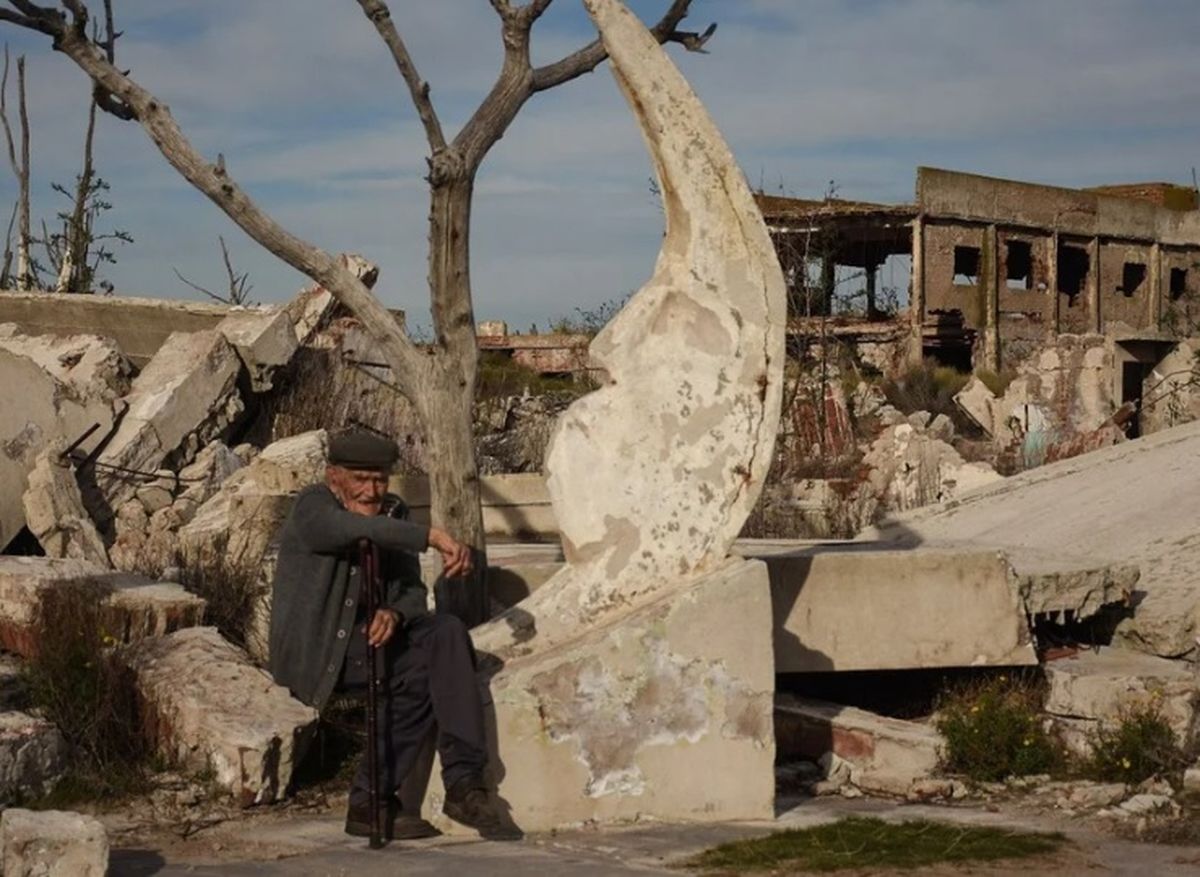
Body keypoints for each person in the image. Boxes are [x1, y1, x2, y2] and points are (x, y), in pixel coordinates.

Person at [268, 429, 504, 840]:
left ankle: (464, 784)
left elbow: (411, 590)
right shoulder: (312, 505)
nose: (371, 490)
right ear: (334, 476)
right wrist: (430, 537)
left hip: (371, 646)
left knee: (446, 633)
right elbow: (347, 529)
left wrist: (395, 613)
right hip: (320, 655)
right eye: (360, 479)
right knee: (417, 673)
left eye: (379, 480)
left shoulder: (393, 511)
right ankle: (368, 800)